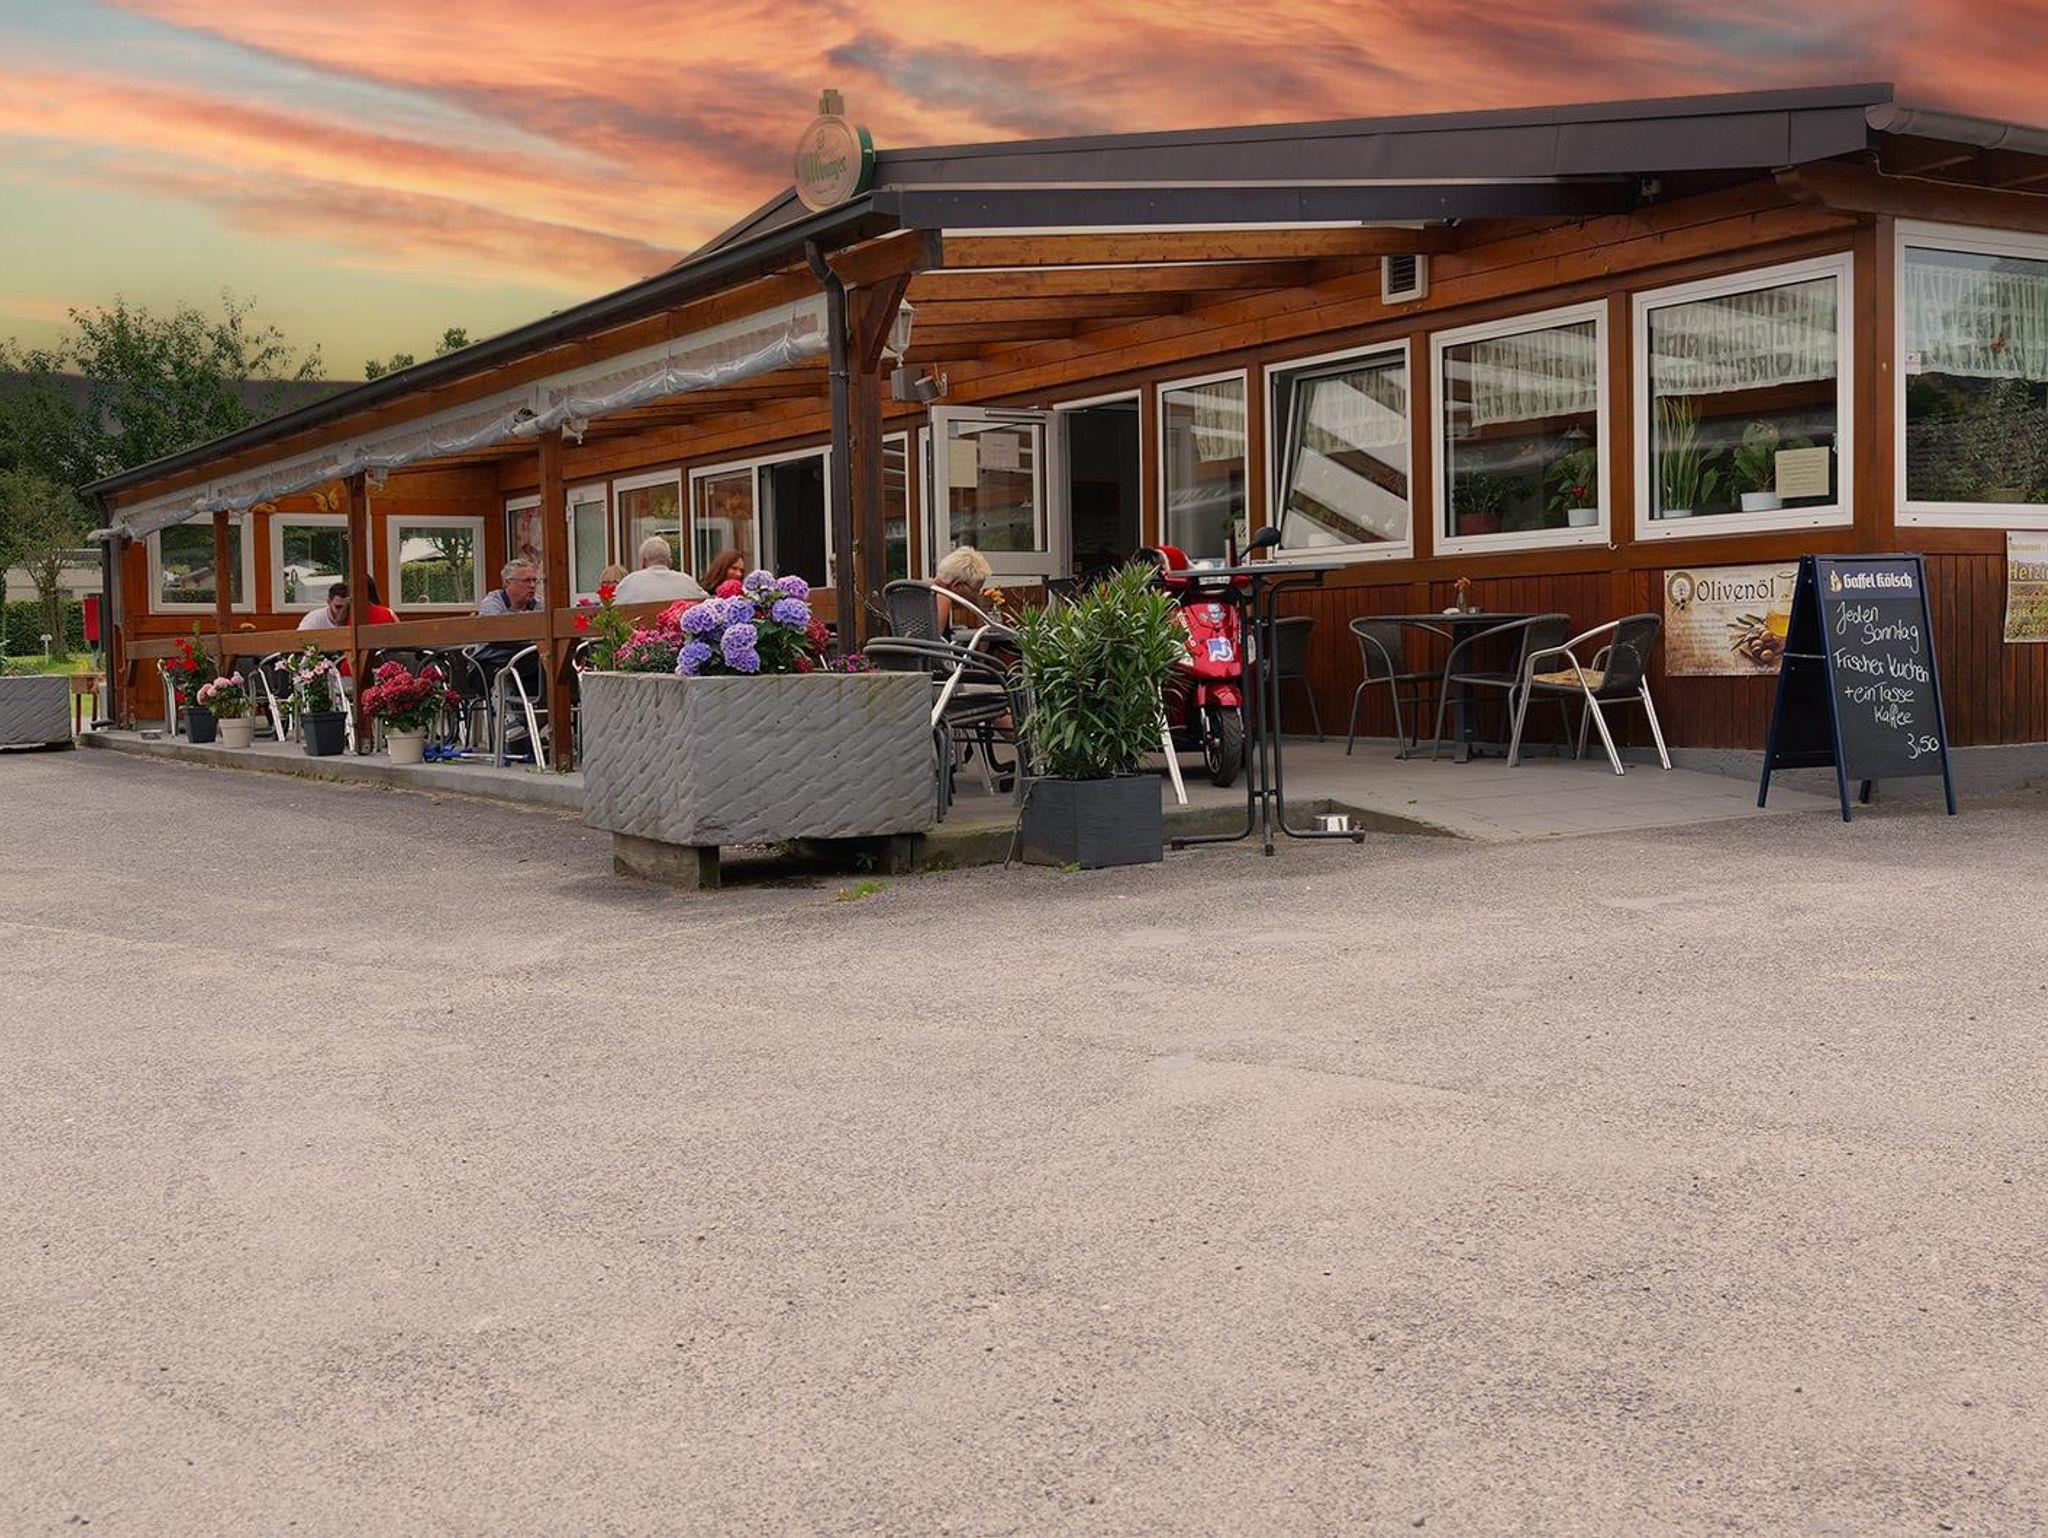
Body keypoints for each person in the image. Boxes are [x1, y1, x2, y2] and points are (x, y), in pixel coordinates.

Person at [612, 536, 707, 604]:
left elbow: (611, 608)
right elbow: (707, 603)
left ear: (643, 561)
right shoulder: (688, 582)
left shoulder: (629, 582)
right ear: (670, 561)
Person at [932, 545, 994, 633]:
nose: (977, 595)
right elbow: (932, 640)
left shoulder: (917, 591)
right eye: (976, 590)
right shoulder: (942, 599)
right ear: (957, 585)